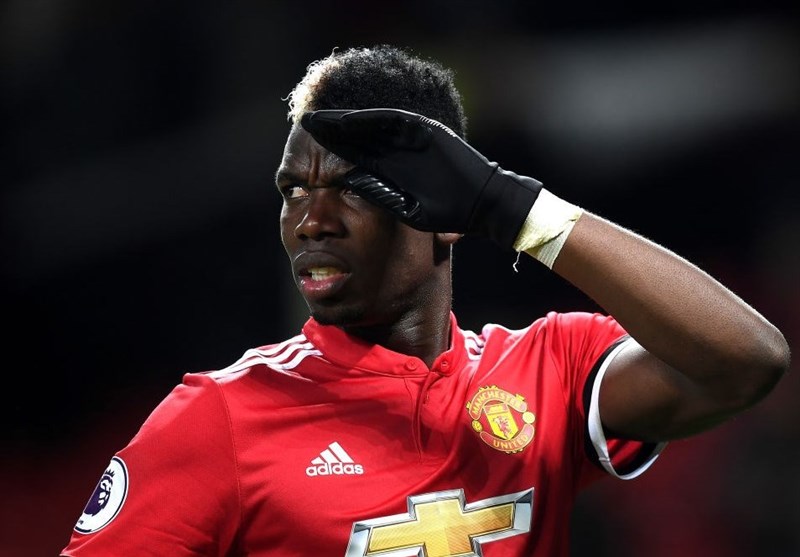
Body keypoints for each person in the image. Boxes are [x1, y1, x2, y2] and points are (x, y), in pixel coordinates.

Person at [61, 44, 790, 557]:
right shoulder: (220, 417)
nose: (310, 220)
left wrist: (512, 207)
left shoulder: (548, 369)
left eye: (351, 186)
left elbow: (747, 361)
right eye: (293, 189)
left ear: (447, 210)